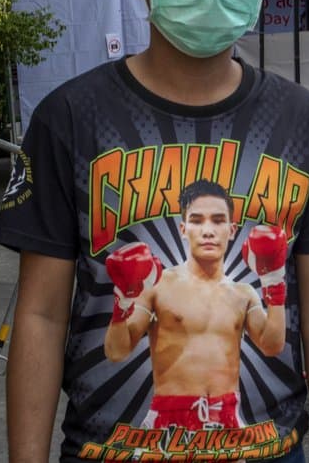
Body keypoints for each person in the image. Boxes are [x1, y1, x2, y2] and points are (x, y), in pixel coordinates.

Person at [0, 0, 309, 461]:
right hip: (118, 450)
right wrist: (127, 300)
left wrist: (271, 285)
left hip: (262, 447)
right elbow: (42, 315)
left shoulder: (306, 123)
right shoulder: (71, 118)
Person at [103, 180, 287, 431]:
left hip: (227, 419)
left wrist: (274, 282)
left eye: (218, 221)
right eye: (197, 221)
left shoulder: (243, 294)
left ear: (232, 229)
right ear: (183, 229)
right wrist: (122, 303)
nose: (208, 231)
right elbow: (117, 352)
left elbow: (272, 346)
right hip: (167, 421)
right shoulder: (159, 286)